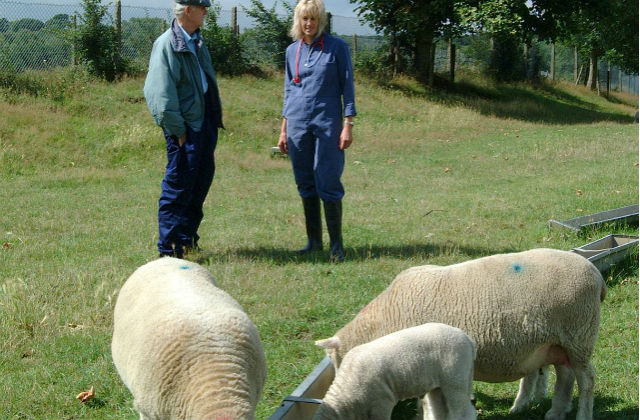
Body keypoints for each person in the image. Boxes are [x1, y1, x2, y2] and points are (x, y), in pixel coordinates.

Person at [278, 0, 356, 262]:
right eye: (304, 19)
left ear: (320, 20)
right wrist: (284, 128)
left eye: (312, 19)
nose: (308, 24)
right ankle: (314, 242)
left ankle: (337, 246)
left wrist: (348, 124)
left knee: (328, 180)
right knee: (305, 182)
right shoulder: (292, 51)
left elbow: (348, 88)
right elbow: (289, 91)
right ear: (297, 22)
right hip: (298, 125)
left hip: (328, 124)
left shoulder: (337, 48)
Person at [143, 0, 223, 258]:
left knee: (199, 183)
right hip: (185, 128)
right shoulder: (166, 44)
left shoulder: (197, 41)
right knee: (178, 187)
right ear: (188, 10)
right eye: (202, 7)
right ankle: (169, 249)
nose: (206, 11)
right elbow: (159, 96)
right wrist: (178, 131)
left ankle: (187, 240)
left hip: (204, 124)